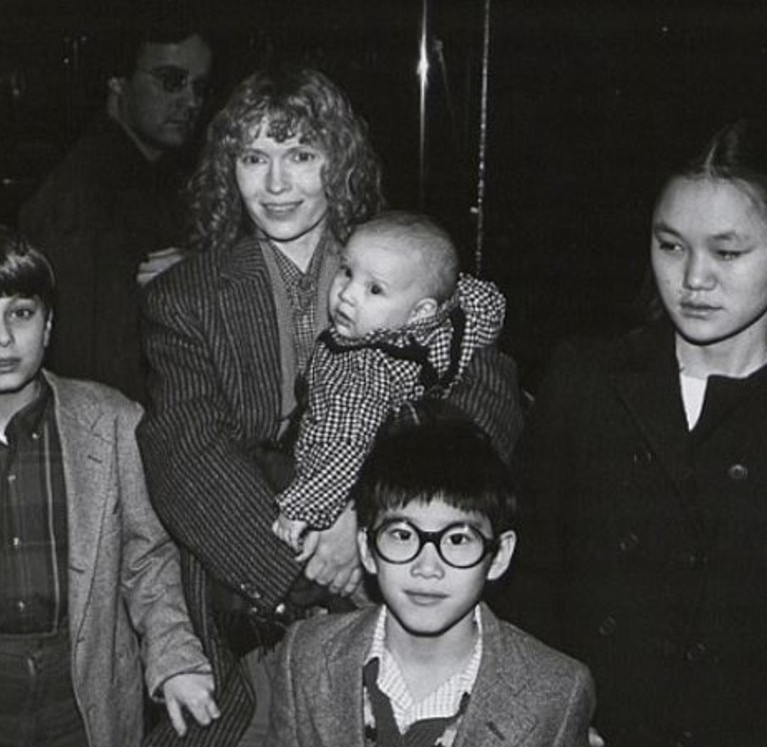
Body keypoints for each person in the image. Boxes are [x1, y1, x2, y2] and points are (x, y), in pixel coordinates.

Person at [137, 66, 523, 747]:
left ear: (336, 164)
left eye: (301, 156)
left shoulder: (398, 261)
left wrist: (367, 523)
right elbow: (185, 456)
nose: (277, 184)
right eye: (254, 158)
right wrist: (311, 571)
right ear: (230, 170)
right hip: (245, 622)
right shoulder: (185, 296)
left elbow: (484, 402)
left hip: (400, 601)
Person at [0, 225, 219, 747]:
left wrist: (173, 657)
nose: (2, 338)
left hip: (78, 691)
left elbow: (146, 558)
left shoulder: (113, 420)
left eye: (20, 313)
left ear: (49, 322)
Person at [504, 118, 767, 746]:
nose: (694, 279)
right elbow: (524, 572)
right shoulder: (587, 379)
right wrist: (556, 716)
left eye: (728, 252)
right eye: (670, 245)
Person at [266, 408, 596, 747]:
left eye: (457, 540)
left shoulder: (557, 692)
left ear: (498, 556)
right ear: (366, 548)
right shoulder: (305, 653)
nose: (427, 567)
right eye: (402, 535)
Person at [272, 210, 508, 557]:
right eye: (347, 272)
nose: (347, 295)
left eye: (375, 289)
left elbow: (342, 444)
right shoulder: (457, 318)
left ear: (420, 312)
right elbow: (490, 304)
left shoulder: (357, 367)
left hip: (346, 481)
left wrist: (301, 508)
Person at [18, 13, 212, 403]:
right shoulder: (84, 196)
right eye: (172, 80)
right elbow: (90, 371)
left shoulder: (161, 177)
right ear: (117, 81)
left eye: (199, 86)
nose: (190, 101)